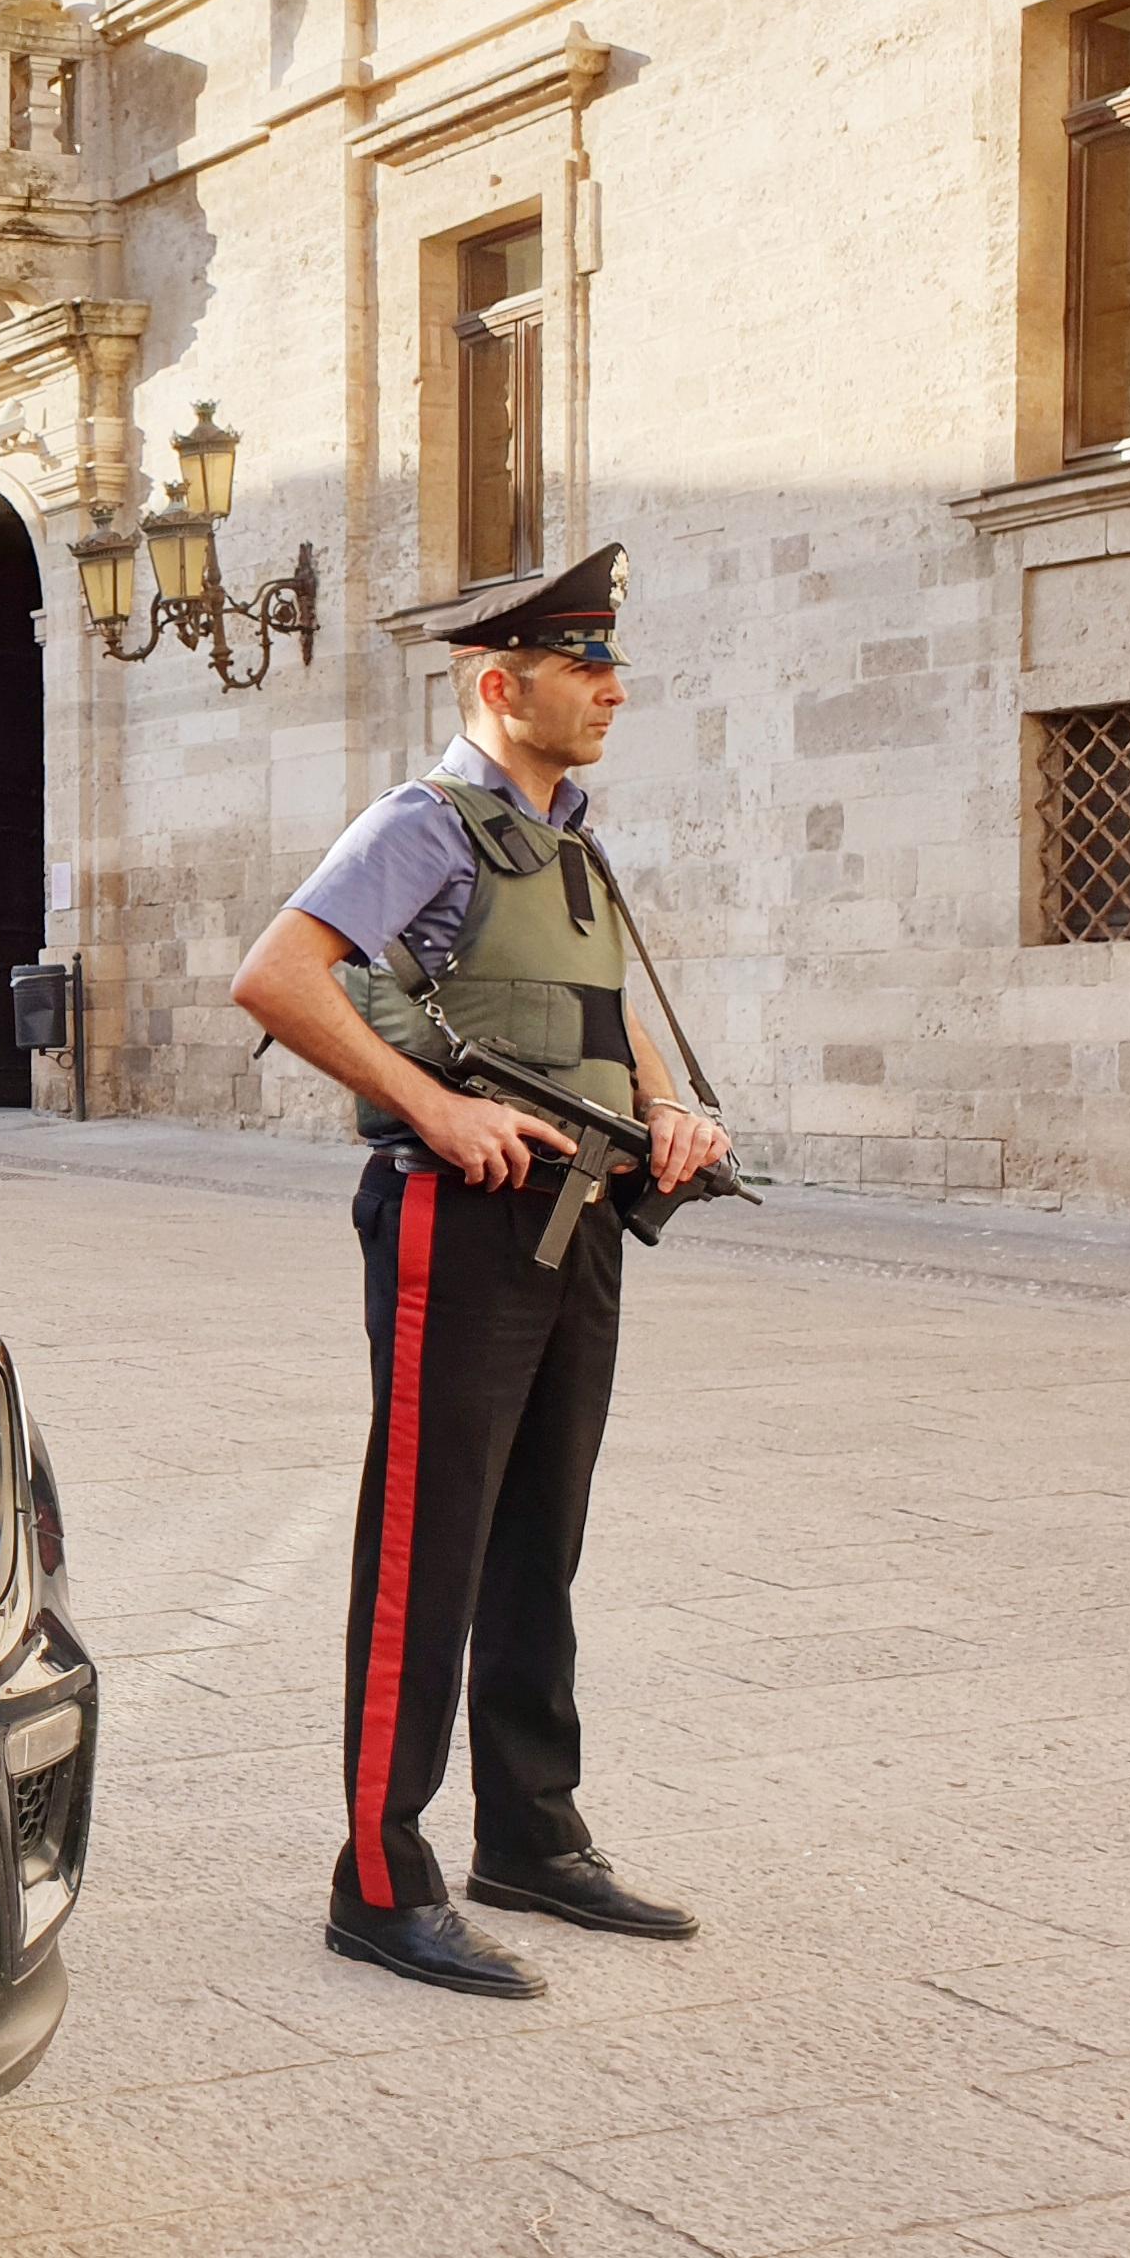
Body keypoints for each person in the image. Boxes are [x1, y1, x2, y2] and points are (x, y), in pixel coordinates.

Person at [227, 545, 737, 1999]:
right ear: (501, 684)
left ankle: (532, 1834)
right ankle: (379, 1876)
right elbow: (278, 974)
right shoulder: (423, 822)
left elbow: (598, 1005)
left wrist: (667, 1107)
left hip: (576, 1214)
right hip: (461, 1213)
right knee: (426, 1539)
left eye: (611, 667)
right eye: (588, 670)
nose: (613, 691)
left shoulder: (567, 837)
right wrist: (436, 1106)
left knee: (540, 1534)